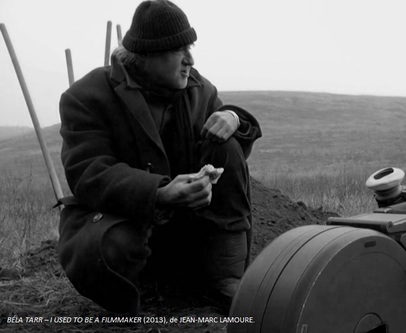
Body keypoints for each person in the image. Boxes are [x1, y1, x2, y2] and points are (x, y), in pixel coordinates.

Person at [57, 0, 261, 315]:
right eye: (179, 50)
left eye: (190, 48)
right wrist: (159, 192)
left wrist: (233, 117)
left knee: (227, 145)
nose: (190, 60)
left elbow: (231, 146)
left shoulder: (199, 90)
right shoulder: (86, 97)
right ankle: (138, 294)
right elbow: (89, 173)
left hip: (188, 228)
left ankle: (225, 280)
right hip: (129, 223)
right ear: (147, 56)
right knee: (113, 246)